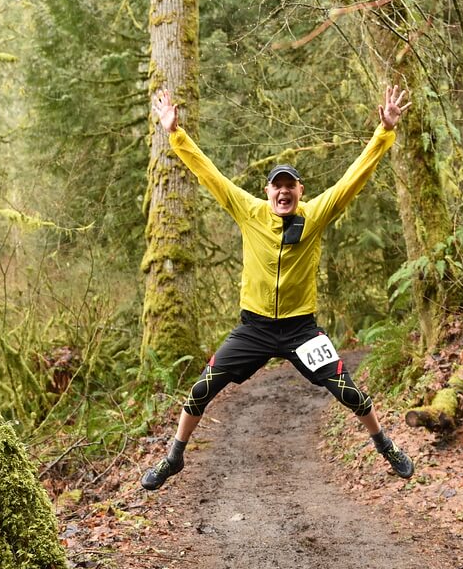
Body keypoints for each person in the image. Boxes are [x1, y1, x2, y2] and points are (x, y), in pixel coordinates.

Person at [141, 85, 416, 491]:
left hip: (301, 330)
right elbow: (208, 173)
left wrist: (384, 132)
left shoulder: (316, 215)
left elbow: (352, 179)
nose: (283, 191)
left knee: (348, 391)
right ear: (268, 191)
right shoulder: (248, 211)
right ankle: (173, 457)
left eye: (291, 186)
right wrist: (174, 134)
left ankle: (385, 445)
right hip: (253, 329)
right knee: (202, 388)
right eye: (277, 186)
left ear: (300, 191)